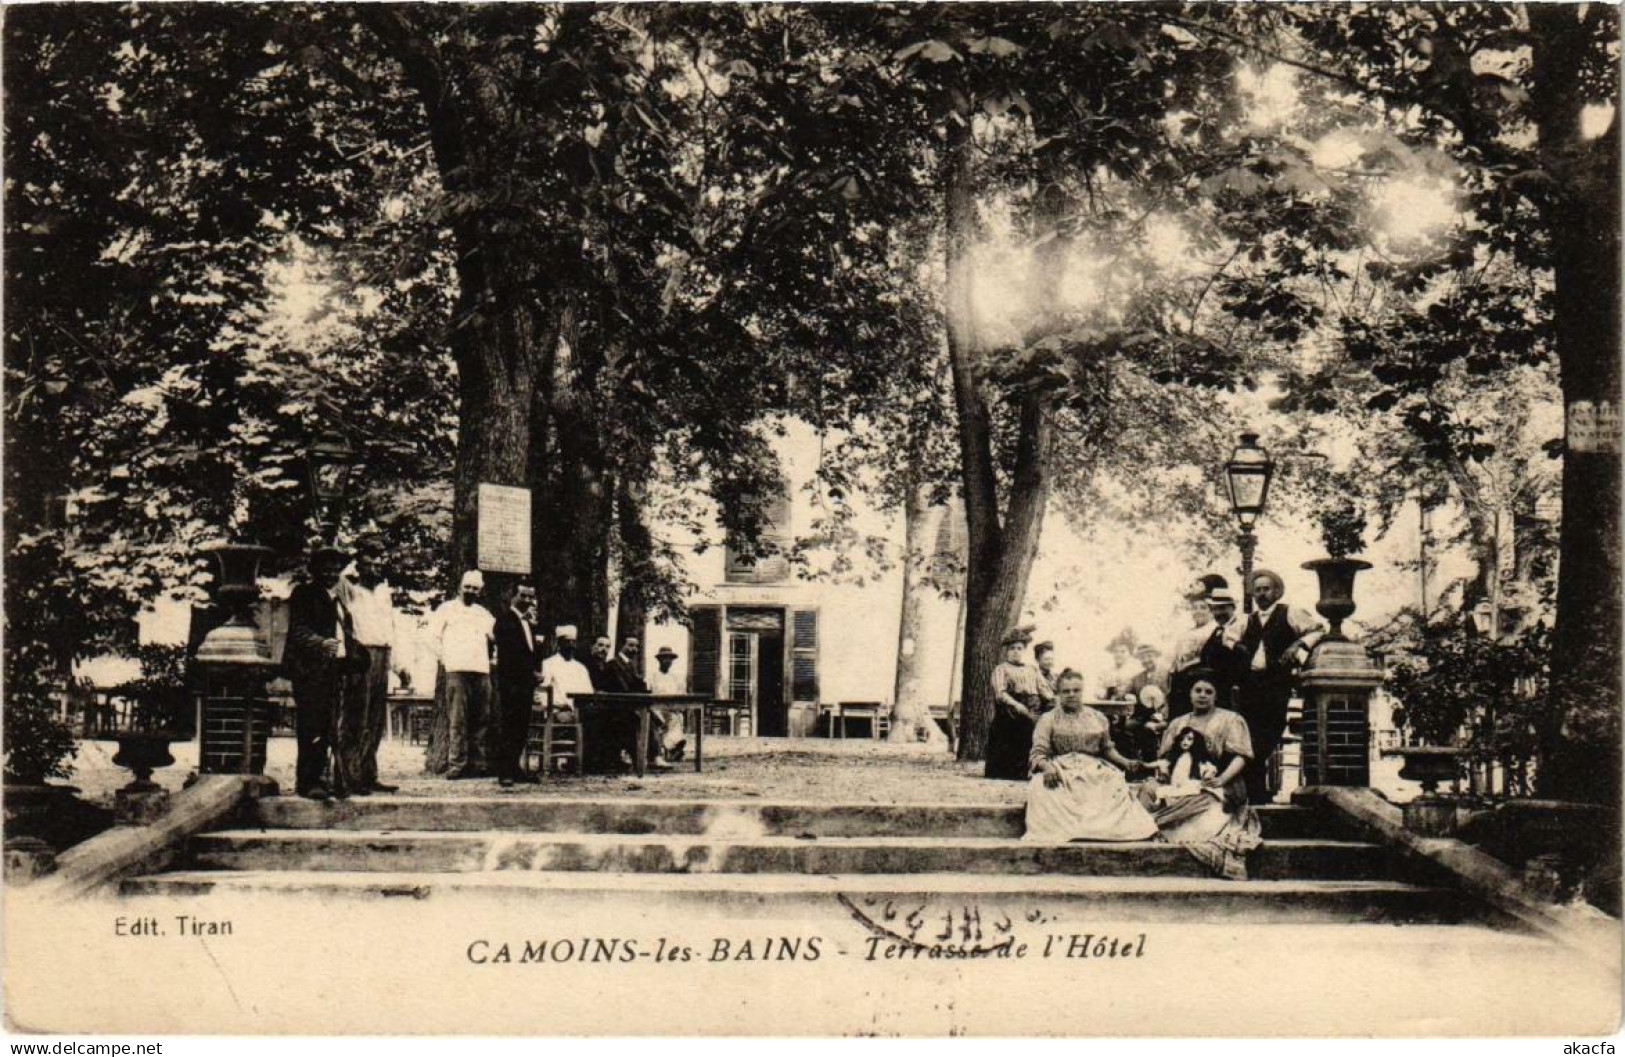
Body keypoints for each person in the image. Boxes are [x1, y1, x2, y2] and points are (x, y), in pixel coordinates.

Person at [1141, 669, 1263, 879]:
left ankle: (1162, 822)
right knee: (1149, 789)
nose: (1202, 695)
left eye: (1208, 691)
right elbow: (1169, 758)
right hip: (1182, 782)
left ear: (1216, 695)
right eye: (1198, 690)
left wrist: (1221, 779)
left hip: (1218, 782)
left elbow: (1241, 757)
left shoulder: (1230, 719)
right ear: (1190, 693)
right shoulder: (1178, 723)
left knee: (1201, 799)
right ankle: (1152, 822)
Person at [1023, 669, 1158, 843]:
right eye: (1066, 691)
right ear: (1058, 694)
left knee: (1114, 781)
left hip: (1093, 768)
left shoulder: (1097, 717)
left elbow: (1107, 749)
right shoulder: (1048, 719)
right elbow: (1038, 753)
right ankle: (1071, 829)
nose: (1071, 695)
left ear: (1082, 691)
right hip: (1062, 768)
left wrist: (1125, 762)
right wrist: (1047, 767)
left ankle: (1103, 830)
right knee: (1041, 788)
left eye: (1076, 690)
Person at [1236, 569, 1322, 803]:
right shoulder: (1247, 620)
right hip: (1250, 685)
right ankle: (1256, 791)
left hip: (1276, 683)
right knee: (1249, 736)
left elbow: (1317, 630)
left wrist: (1298, 645)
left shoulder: (1290, 612)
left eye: (1266, 589)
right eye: (1258, 590)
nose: (1262, 594)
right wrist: (1238, 647)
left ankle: (1257, 789)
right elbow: (1228, 637)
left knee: (1271, 732)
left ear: (1276, 591)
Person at [284, 547, 360, 801]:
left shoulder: (337, 601)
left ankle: (324, 779)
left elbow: (345, 637)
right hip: (309, 672)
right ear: (315, 571)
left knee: (327, 728)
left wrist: (354, 660)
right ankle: (307, 782)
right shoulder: (304, 594)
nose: (331, 574)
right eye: (325, 569)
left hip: (331, 673)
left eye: (335, 570)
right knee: (311, 727)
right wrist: (320, 643)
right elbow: (298, 631)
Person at [427, 570, 496, 779]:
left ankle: (478, 764)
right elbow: (431, 637)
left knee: (481, 718)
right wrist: (445, 658)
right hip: (457, 670)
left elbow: (497, 637)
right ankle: (457, 764)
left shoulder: (483, 614)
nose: (470, 591)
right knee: (458, 719)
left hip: (481, 671)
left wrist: (493, 660)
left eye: (475, 588)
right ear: (460, 587)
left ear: (480, 591)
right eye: (467, 587)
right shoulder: (446, 609)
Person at [339, 550, 398, 795]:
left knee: (375, 719)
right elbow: (338, 577)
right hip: (362, 655)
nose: (374, 569)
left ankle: (368, 772)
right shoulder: (351, 591)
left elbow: (391, 628)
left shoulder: (384, 595)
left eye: (377, 564)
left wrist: (398, 665)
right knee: (357, 715)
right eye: (368, 565)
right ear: (359, 568)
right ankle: (348, 775)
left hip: (383, 654)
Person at [492, 583, 543, 788]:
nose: (527, 601)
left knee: (521, 727)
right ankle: (504, 771)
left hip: (525, 683)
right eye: (523, 596)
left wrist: (534, 672)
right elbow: (511, 654)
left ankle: (515, 768)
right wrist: (528, 672)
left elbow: (532, 652)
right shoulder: (504, 620)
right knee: (509, 726)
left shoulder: (529, 622)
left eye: (531, 597)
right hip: (511, 682)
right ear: (513, 596)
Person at [985, 630, 1046, 780]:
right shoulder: (1002, 669)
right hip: (1011, 710)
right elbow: (1001, 693)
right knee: (1014, 732)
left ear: (1024, 651)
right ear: (1006, 652)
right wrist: (1017, 705)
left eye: (1019, 648)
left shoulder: (1032, 669)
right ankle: (1008, 772)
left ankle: (1030, 769)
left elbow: (1043, 688)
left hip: (1033, 706)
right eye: (1012, 649)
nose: (1015, 652)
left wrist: (1053, 700)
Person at [540, 626, 595, 711]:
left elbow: (588, 693)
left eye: (573, 642)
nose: (570, 645)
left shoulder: (581, 668)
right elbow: (542, 693)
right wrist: (560, 706)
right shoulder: (548, 664)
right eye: (567, 642)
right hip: (556, 711)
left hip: (579, 711)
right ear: (559, 643)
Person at [648, 645, 689, 760]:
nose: (668, 661)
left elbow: (682, 694)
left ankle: (674, 746)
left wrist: (678, 706)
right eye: (665, 658)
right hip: (657, 708)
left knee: (676, 718)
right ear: (659, 660)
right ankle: (673, 747)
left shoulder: (676, 677)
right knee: (664, 719)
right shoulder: (653, 676)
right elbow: (649, 693)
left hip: (672, 708)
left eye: (670, 659)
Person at [1096, 629, 1140, 700]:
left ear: (1129, 653)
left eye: (1123, 652)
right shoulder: (1106, 672)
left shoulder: (1135, 671)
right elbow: (1099, 688)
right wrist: (1102, 693)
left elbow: (1140, 692)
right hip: (1109, 705)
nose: (1118, 654)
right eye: (1116, 651)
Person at [1033, 641, 1058, 711]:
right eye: (1046, 659)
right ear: (1038, 659)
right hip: (1040, 711)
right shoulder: (1034, 676)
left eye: (1051, 659)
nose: (1050, 662)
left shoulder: (1055, 677)